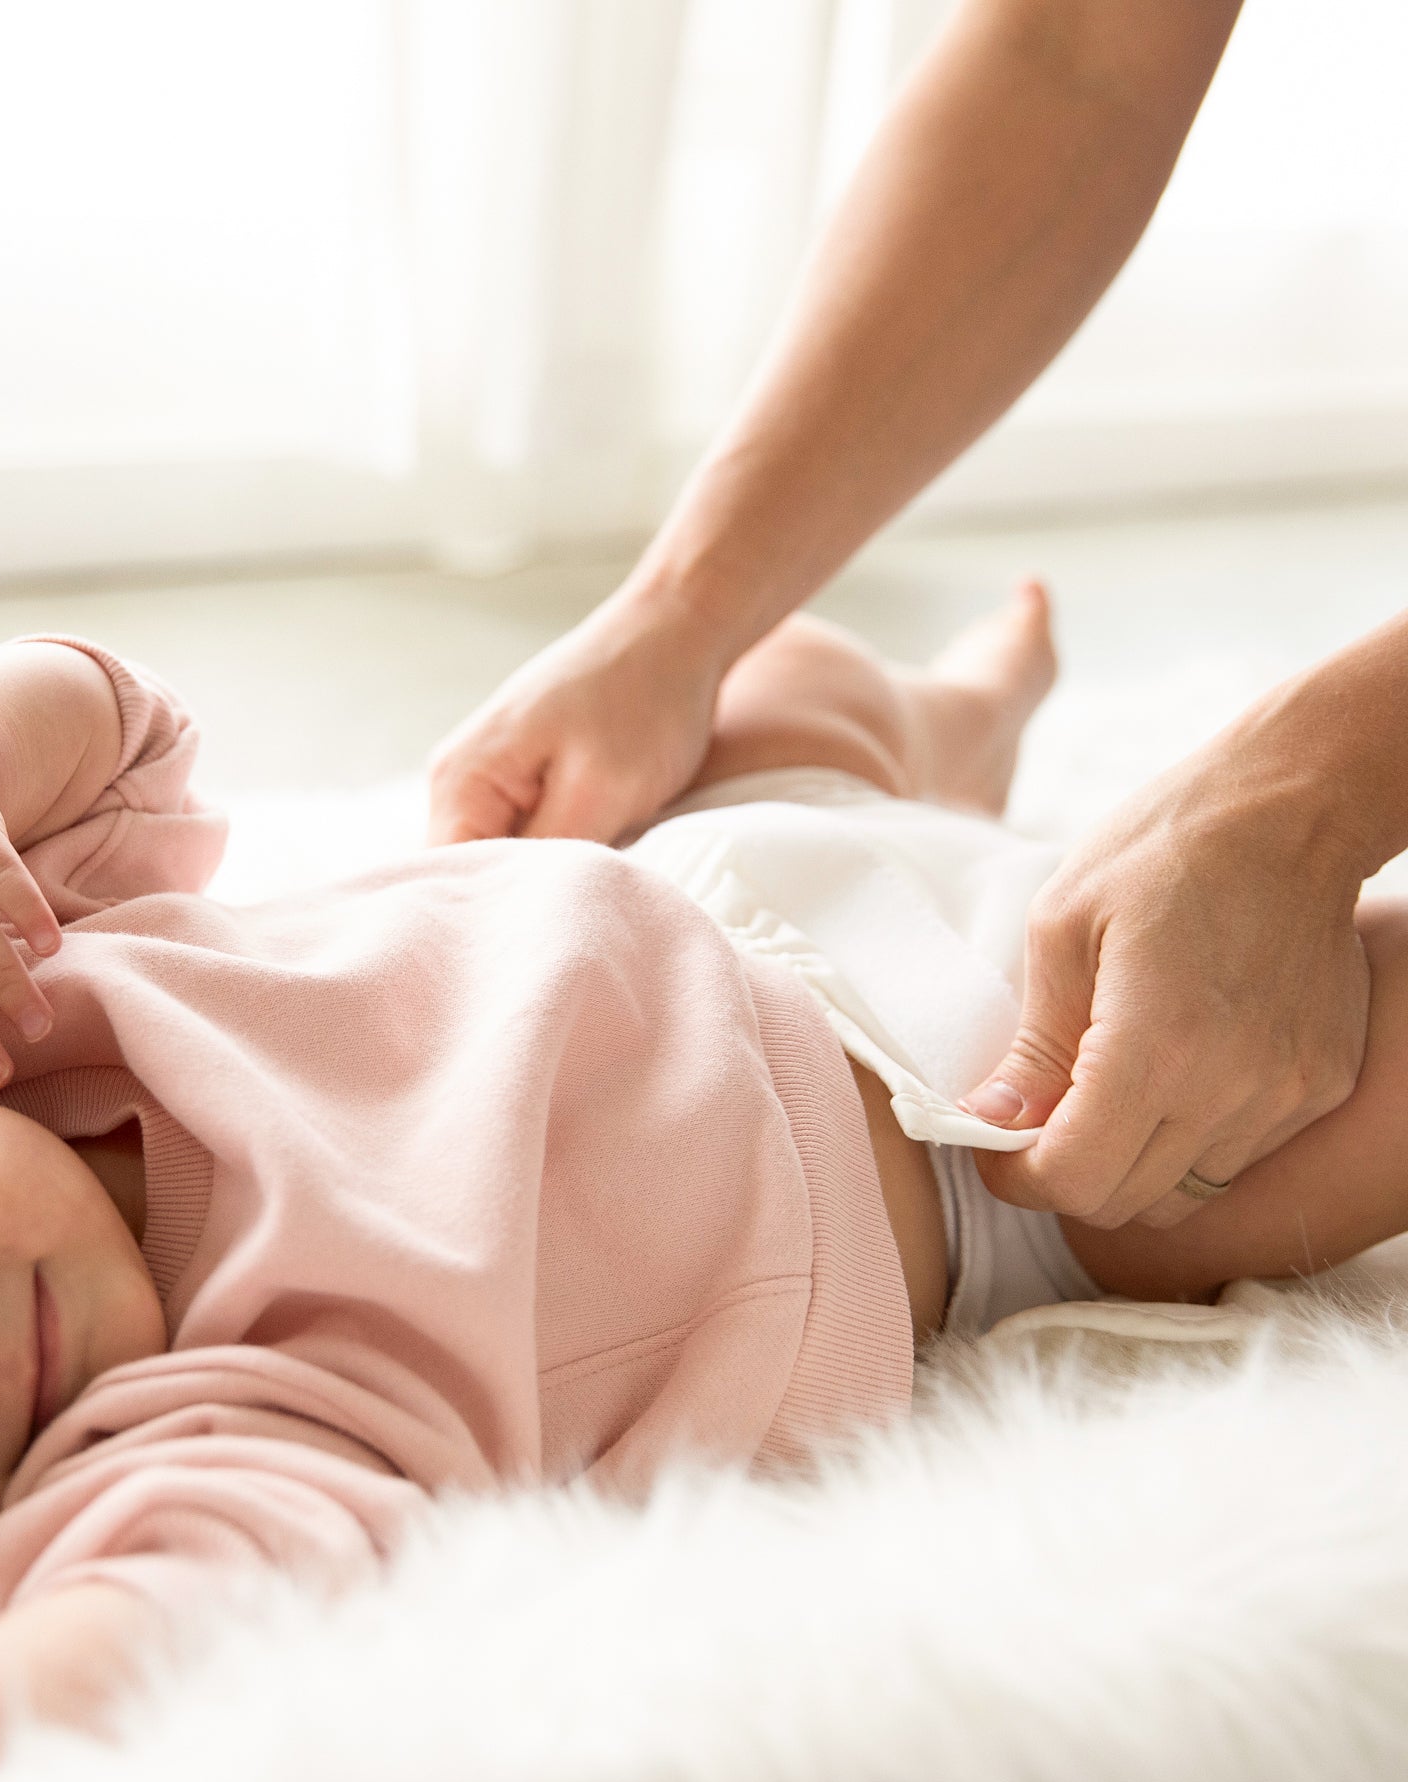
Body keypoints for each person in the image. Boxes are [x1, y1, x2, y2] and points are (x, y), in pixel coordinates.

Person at [0, 608, 1408, 1782]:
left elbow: (113, 718)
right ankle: (930, 749)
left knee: (785, 691)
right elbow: (90, 1682)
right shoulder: (211, 1434)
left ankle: (931, 716)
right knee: (1332, 1084)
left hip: (693, 880)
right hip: (999, 1139)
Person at [427, 0, 1408, 1236]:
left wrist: (1322, 790)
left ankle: (925, 752)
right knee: (757, 671)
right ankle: (936, 736)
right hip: (718, 860)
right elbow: (1077, 54)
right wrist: (676, 616)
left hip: (1017, 1158)